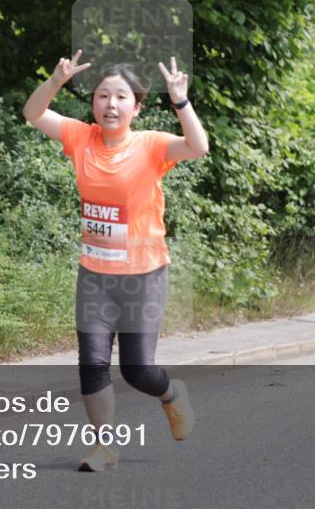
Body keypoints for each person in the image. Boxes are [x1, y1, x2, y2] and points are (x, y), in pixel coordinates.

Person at [23, 50, 209, 471]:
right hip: (95, 275)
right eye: (103, 96)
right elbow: (33, 113)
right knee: (92, 364)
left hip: (144, 275)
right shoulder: (80, 138)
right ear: (93, 103)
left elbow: (199, 147)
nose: (110, 104)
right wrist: (55, 81)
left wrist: (180, 100)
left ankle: (170, 393)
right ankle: (103, 447)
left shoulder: (151, 145)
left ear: (136, 108)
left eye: (121, 97)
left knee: (138, 370)